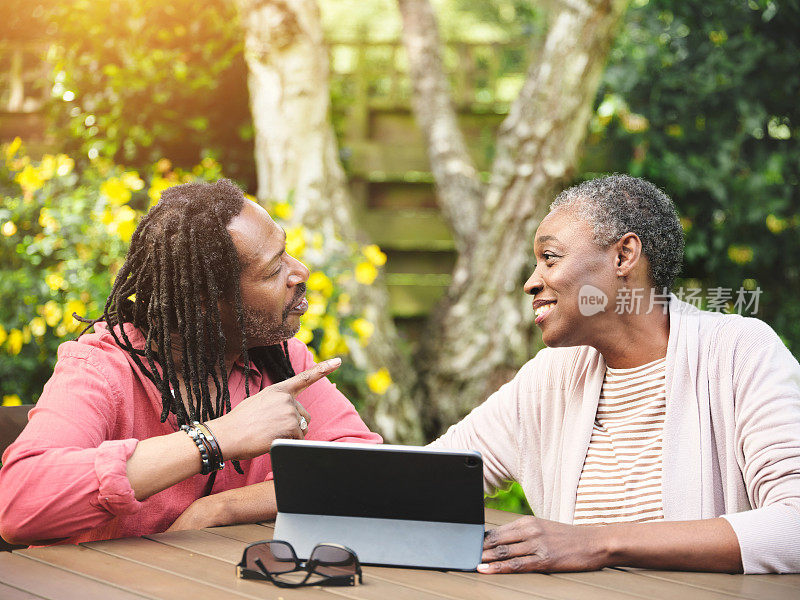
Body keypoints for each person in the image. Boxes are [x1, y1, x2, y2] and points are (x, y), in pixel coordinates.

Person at [431, 175, 800, 574]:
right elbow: (425, 483)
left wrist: (598, 542)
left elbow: (793, 524)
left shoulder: (738, 353)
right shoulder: (548, 380)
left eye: (550, 257)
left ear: (623, 256)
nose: (531, 282)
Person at [0, 179, 381, 546]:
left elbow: (362, 472)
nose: (300, 272)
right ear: (205, 303)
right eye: (273, 269)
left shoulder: (280, 361)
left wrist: (218, 510)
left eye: (286, 252)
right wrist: (215, 439)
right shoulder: (102, 368)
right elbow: (19, 505)